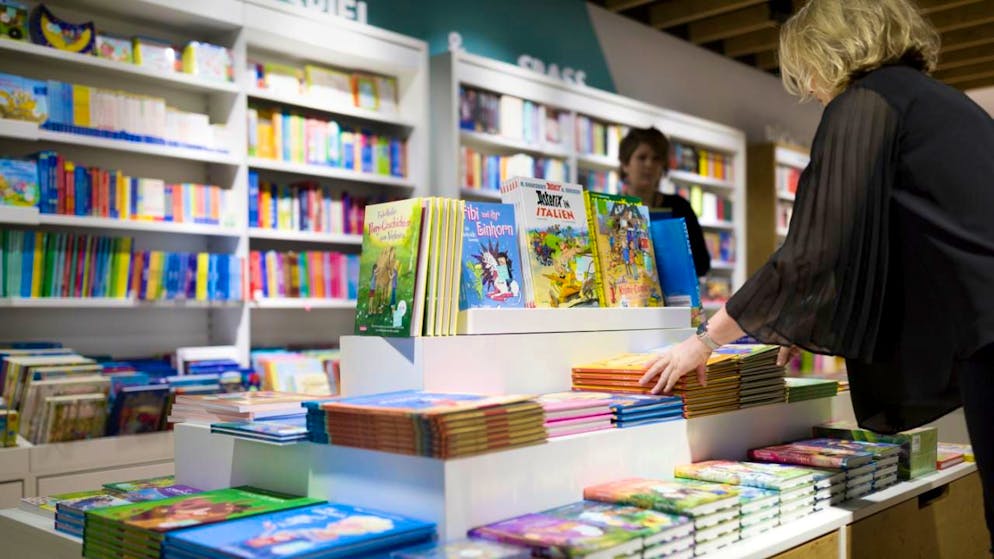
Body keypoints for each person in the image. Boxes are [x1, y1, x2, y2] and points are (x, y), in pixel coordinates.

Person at [638, 0, 994, 549]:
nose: (809, 89)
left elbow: (811, 253)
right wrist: (795, 320)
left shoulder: (865, 102)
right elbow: (875, 241)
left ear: (827, 51)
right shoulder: (937, 102)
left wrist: (704, 342)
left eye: (805, 71)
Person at [619, 127, 711, 277]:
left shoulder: (680, 208)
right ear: (625, 164)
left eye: (656, 159)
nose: (649, 164)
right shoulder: (609, 209)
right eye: (642, 157)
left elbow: (702, 264)